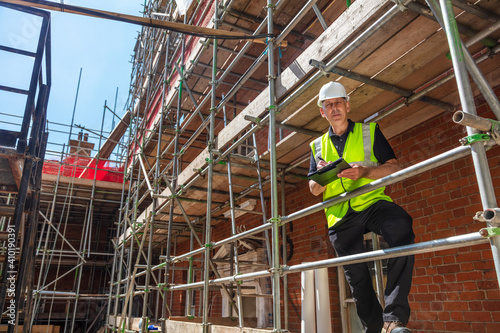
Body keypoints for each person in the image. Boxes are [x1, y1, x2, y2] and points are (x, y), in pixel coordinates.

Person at [308, 81, 415, 333]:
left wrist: (366, 171)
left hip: (371, 202)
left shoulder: (370, 131)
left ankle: (394, 318)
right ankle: (376, 328)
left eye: (338, 103)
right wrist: (325, 176)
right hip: (339, 215)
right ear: (322, 111)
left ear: (347, 105)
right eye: (328, 105)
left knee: (401, 226)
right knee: (357, 277)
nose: (334, 108)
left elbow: (394, 167)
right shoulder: (316, 146)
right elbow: (313, 188)